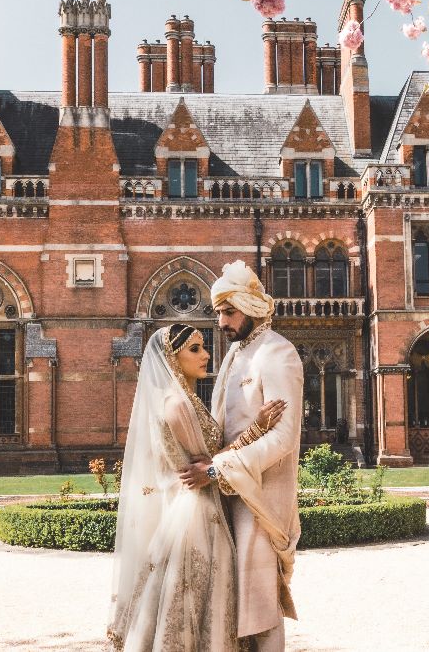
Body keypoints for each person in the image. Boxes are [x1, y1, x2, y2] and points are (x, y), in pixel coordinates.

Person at [108, 323, 286, 651]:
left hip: (195, 508)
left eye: (204, 347)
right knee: (201, 601)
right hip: (197, 515)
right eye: (195, 349)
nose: (205, 355)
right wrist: (257, 429)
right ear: (172, 358)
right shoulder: (177, 404)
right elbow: (208, 465)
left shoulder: (184, 399)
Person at [180, 260, 305, 652]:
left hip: (259, 498)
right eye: (218, 312)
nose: (220, 322)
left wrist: (217, 469)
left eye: (228, 311)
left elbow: (284, 437)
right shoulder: (237, 355)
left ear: (251, 308)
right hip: (226, 495)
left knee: (260, 608)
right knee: (230, 605)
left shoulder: (278, 353)